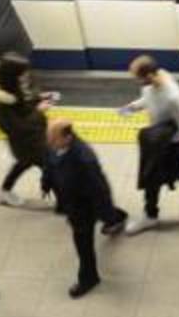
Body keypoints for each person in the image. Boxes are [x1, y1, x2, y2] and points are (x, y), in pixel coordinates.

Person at [119, 55, 179, 234]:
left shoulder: (173, 96)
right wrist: (132, 107)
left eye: (139, 78)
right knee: (176, 175)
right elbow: (148, 99)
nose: (138, 82)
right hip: (159, 141)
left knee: (164, 176)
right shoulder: (151, 84)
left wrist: (167, 143)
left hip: (171, 144)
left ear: (150, 76)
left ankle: (150, 216)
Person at [44, 120, 128, 298]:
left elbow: (99, 188)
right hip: (70, 200)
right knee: (108, 215)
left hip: (83, 206)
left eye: (53, 140)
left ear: (67, 137)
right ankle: (115, 217)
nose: (49, 143)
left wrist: (104, 210)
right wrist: (46, 182)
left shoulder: (84, 158)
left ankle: (89, 278)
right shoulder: (54, 145)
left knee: (83, 243)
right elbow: (49, 163)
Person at [0, 53, 52, 207]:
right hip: (26, 143)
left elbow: (24, 102)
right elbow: (18, 128)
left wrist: (38, 98)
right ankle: (64, 198)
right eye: (22, 74)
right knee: (50, 167)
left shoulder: (13, 87)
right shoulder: (1, 104)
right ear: (11, 76)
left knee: (24, 163)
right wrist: (39, 111)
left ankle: (4, 191)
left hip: (32, 141)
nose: (26, 77)